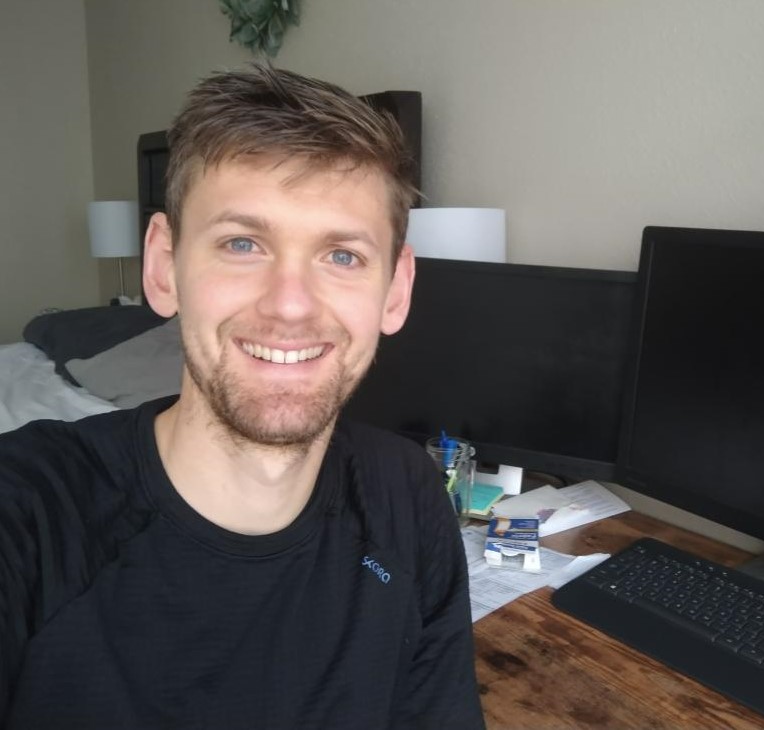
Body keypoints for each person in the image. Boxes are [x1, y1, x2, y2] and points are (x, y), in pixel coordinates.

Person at [0, 64, 485, 729]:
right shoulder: (28, 510)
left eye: (342, 256)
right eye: (241, 243)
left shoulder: (407, 494)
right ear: (163, 267)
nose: (290, 305)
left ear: (395, 291)